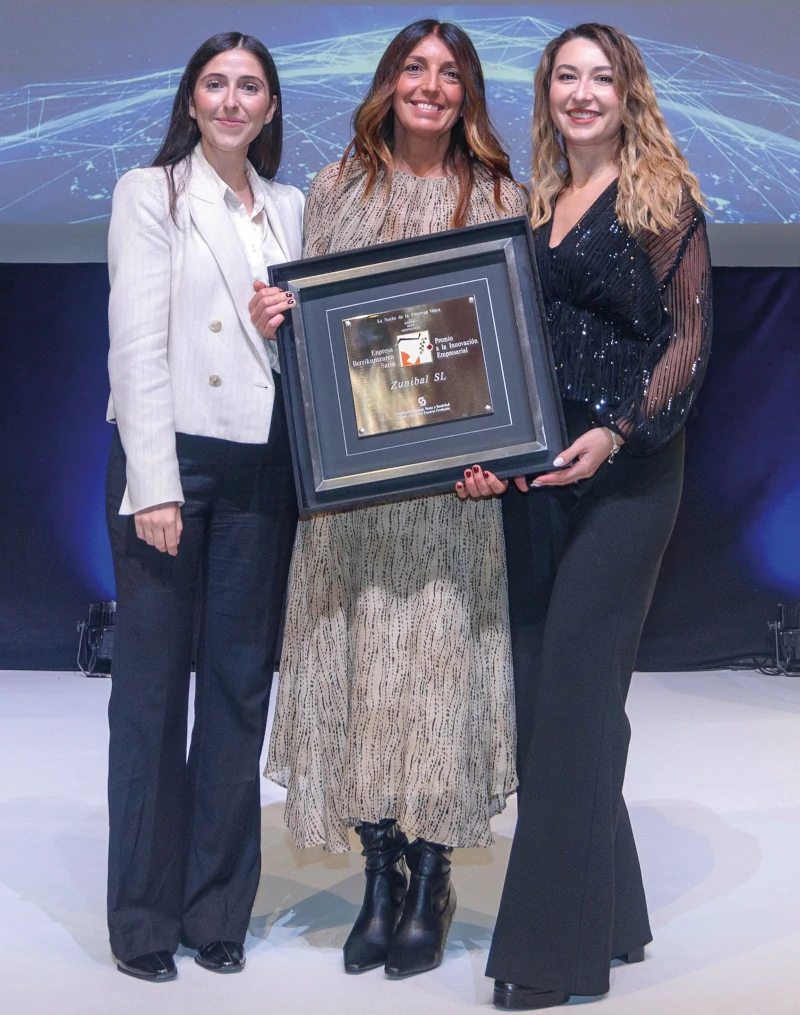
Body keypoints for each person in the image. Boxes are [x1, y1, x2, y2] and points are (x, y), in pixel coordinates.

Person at [263, 18, 528, 980]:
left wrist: (503, 449)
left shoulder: (503, 194)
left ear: (469, 93)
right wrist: (277, 315)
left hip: (452, 494)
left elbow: (511, 344)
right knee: (360, 666)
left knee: (437, 669)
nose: (430, 86)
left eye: (449, 73)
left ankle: (433, 871)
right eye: (414, 69)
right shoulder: (336, 189)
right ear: (388, 82)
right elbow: (317, 327)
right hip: (352, 494)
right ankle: (378, 874)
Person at [465, 22, 711, 1010]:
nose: (579, 93)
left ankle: (546, 955)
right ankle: (615, 916)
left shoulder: (660, 201)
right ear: (546, 94)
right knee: (546, 704)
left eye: (598, 77)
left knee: (570, 696)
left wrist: (614, 429)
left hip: (625, 475)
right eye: (563, 77)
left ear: (626, 94)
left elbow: (688, 345)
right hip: (536, 475)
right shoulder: (532, 206)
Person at [105, 32, 303, 982]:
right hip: (173, 462)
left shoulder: (292, 208)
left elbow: (305, 353)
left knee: (237, 691)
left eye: (249, 87)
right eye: (215, 84)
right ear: (191, 100)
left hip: (261, 468)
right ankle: (143, 917)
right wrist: (154, 483)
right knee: (148, 697)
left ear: (270, 107)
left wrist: (289, 326)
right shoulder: (152, 194)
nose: (231, 100)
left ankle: (218, 907)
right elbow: (136, 345)